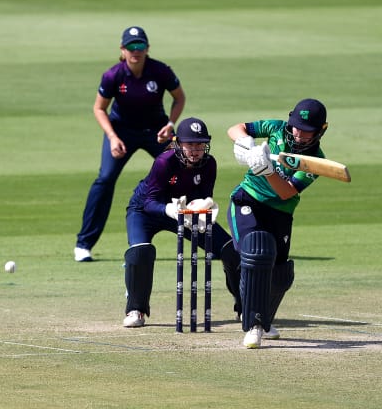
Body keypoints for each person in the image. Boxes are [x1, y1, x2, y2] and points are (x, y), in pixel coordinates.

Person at [74, 26, 186, 262]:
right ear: (122, 50)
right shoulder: (113, 75)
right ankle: (84, 244)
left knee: (184, 170)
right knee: (105, 179)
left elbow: (179, 97)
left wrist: (170, 123)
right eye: (131, 47)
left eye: (140, 46)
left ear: (147, 49)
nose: (136, 51)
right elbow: (99, 108)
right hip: (121, 132)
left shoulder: (160, 71)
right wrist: (113, 137)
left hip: (157, 131)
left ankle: (204, 238)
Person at [226, 98, 329, 348]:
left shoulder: (316, 160)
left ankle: (264, 317)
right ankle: (253, 325)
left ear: (321, 129)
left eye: (306, 130)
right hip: (247, 200)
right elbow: (236, 128)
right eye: (296, 126)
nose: (298, 133)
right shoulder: (276, 128)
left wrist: (268, 170)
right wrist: (246, 143)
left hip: (281, 212)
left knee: (280, 277)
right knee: (257, 252)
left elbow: (287, 192)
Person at [122, 117, 241, 328]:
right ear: (178, 143)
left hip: (184, 213)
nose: (195, 150)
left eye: (200, 144)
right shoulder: (164, 162)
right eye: (190, 144)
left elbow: (204, 196)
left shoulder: (209, 164)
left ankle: (244, 306)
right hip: (146, 211)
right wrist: (169, 209)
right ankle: (136, 309)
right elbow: (150, 202)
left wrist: (204, 210)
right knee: (140, 251)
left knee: (230, 249)